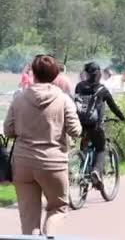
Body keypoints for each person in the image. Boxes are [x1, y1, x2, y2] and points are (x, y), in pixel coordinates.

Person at [3, 55, 82, 235]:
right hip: (53, 162)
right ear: (55, 75)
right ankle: (49, 237)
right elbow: (76, 130)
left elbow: (8, 130)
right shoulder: (63, 100)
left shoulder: (19, 99)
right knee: (58, 208)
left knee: (29, 218)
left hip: (23, 163)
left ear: (33, 73)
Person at [74, 62, 125, 188]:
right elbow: (113, 107)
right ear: (99, 74)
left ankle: (83, 169)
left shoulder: (79, 86)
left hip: (79, 124)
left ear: (85, 74)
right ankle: (96, 171)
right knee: (101, 148)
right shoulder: (102, 90)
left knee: (85, 144)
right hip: (94, 125)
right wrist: (123, 118)